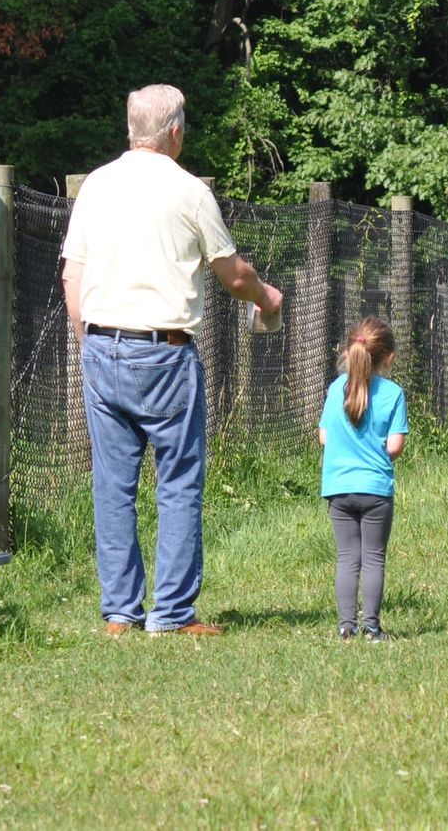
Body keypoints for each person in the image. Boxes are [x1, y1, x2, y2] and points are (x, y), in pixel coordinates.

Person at [61, 83, 283, 637]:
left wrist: (90, 343)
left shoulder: (95, 186)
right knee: (178, 483)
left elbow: (73, 274)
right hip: (165, 354)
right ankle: (173, 613)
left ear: (131, 128)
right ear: (176, 131)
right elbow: (232, 276)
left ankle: (119, 614)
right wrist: (266, 297)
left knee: (113, 486)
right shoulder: (189, 192)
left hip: (101, 348)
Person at [318, 318, 409, 643]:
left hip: (338, 488)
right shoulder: (393, 393)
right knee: (373, 558)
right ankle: (371, 628)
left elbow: (324, 437)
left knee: (347, 558)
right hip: (375, 491)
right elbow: (395, 447)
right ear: (389, 357)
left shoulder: (334, 389)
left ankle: (346, 627)